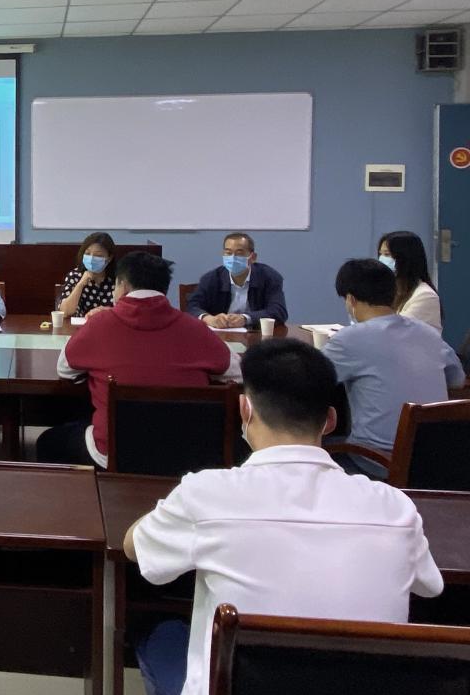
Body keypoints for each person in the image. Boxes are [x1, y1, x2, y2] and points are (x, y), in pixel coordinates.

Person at [125, 338, 443, 695]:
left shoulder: (205, 494)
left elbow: (135, 548)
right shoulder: (395, 507)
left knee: (161, 632)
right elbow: (429, 585)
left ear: (245, 409)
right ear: (330, 420)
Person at [37, 252, 237, 468]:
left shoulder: (99, 324)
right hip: (186, 453)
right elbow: (236, 372)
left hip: (114, 452)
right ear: (164, 288)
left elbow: (65, 370)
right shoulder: (196, 328)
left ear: (122, 285)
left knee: (49, 442)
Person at [322, 259, 463, 477]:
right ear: (393, 294)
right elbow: (457, 381)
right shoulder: (428, 334)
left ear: (350, 300)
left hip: (376, 461)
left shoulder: (349, 339)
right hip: (436, 460)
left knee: (318, 447)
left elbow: (310, 380)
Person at [186, 232, 288, 328]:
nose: (233, 258)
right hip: (220, 334)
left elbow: (278, 311)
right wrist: (209, 319)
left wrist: (246, 318)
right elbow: (192, 306)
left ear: (253, 257)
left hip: (255, 334)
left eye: (239, 253)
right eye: (228, 253)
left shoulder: (269, 277)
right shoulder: (211, 278)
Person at [378, 230, 442, 333]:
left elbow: (395, 331)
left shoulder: (425, 295)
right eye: (380, 254)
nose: (381, 260)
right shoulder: (389, 291)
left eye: (387, 254)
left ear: (406, 258)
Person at [56, 232, 117, 318]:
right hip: (80, 325)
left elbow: (124, 311)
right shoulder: (75, 275)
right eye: (88, 253)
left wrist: (104, 311)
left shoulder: (118, 279)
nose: (91, 258)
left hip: (108, 324)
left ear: (109, 258)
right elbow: (65, 312)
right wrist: (80, 284)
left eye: (98, 255)